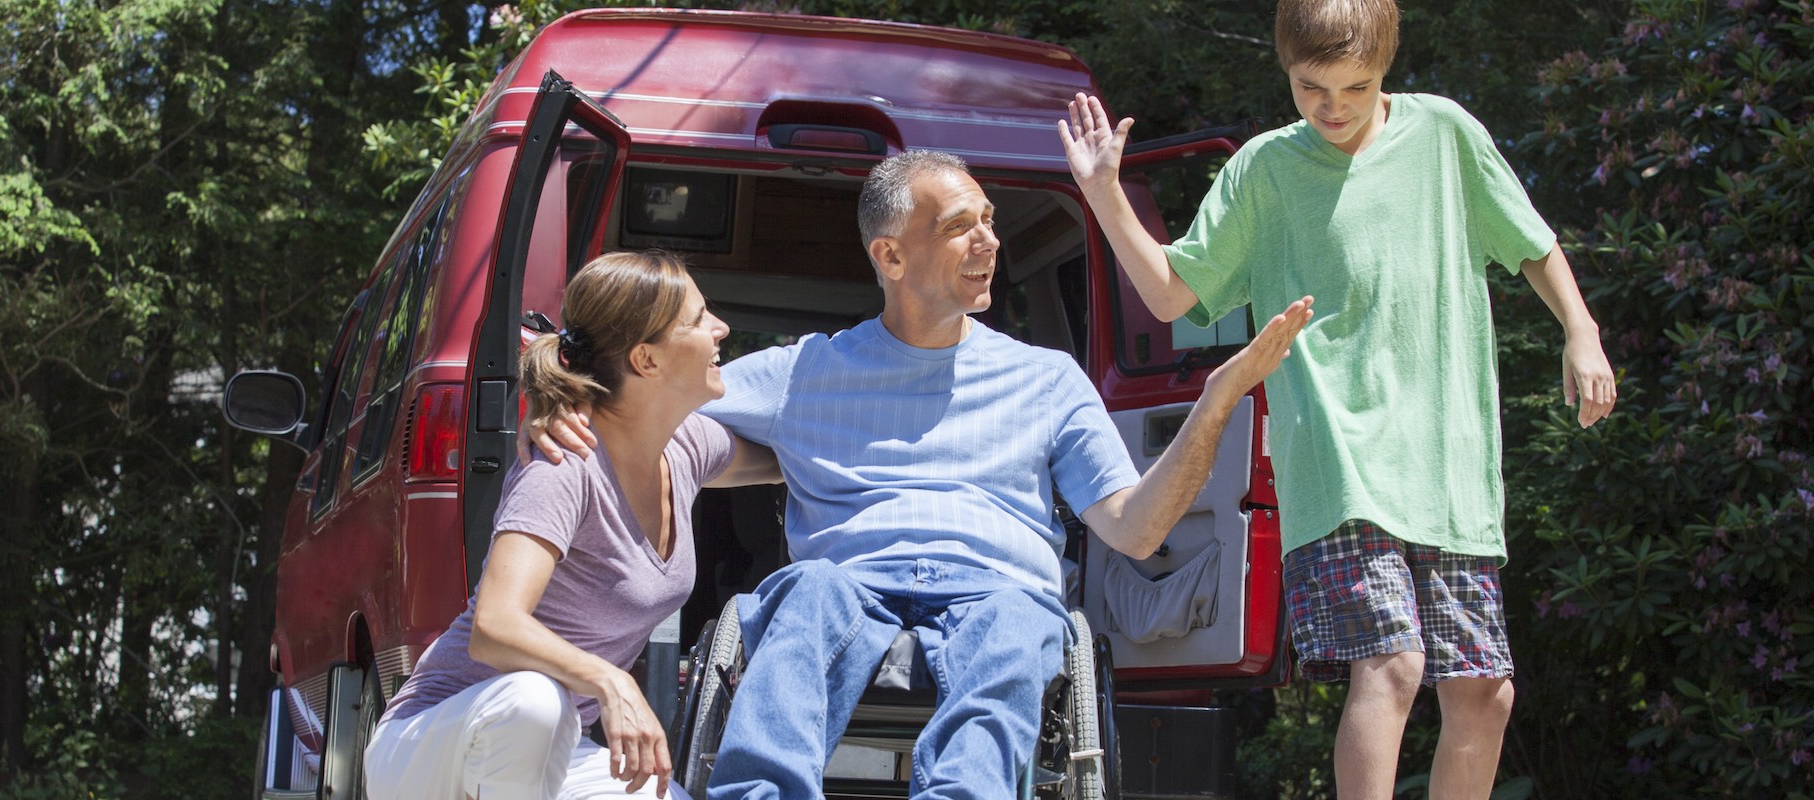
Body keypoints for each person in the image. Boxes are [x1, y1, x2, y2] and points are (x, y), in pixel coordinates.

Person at [533, 150, 1314, 799]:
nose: (988, 241)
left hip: (996, 588)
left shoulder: (1047, 380)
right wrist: (569, 409)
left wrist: (1215, 404)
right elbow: (652, 400)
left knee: (1014, 622)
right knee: (804, 594)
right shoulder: (804, 372)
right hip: (847, 581)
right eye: (959, 226)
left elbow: (1137, 531)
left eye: (990, 221)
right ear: (891, 255)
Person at [1057, 1, 1618, 797]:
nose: (1332, 106)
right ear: (1285, 67)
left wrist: (1581, 332)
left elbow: (1533, 243)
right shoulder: (1264, 169)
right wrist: (1106, 195)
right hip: (1338, 462)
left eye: (1354, 86)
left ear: (1386, 67)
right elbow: (1171, 295)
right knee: (1393, 666)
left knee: (1485, 695)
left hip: (1448, 466)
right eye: (1310, 86)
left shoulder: (1446, 136)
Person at [365, 250, 780, 800]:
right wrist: (609, 680)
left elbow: (789, 465)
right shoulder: (564, 465)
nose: (721, 328)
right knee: (537, 700)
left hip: (550, 753)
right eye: (700, 319)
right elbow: (494, 626)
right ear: (647, 360)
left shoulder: (686, 449)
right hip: (432, 748)